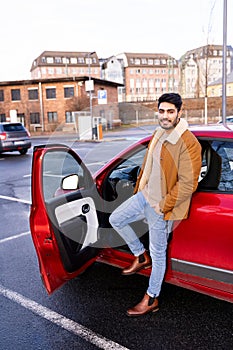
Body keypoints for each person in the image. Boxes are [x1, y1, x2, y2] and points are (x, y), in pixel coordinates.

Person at [109, 93, 202, 317]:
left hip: (162, 205)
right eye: (162, 111)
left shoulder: (188, 143)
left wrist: (163, 206)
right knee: (115, 219)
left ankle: (151, 298)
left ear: (180, 112)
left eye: (171, 111)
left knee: (159, 254)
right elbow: (149, 163)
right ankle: (140, 256)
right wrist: (141, 186)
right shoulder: (158, 133)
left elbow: (189, 183)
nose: (165, 116)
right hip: (145, 196)